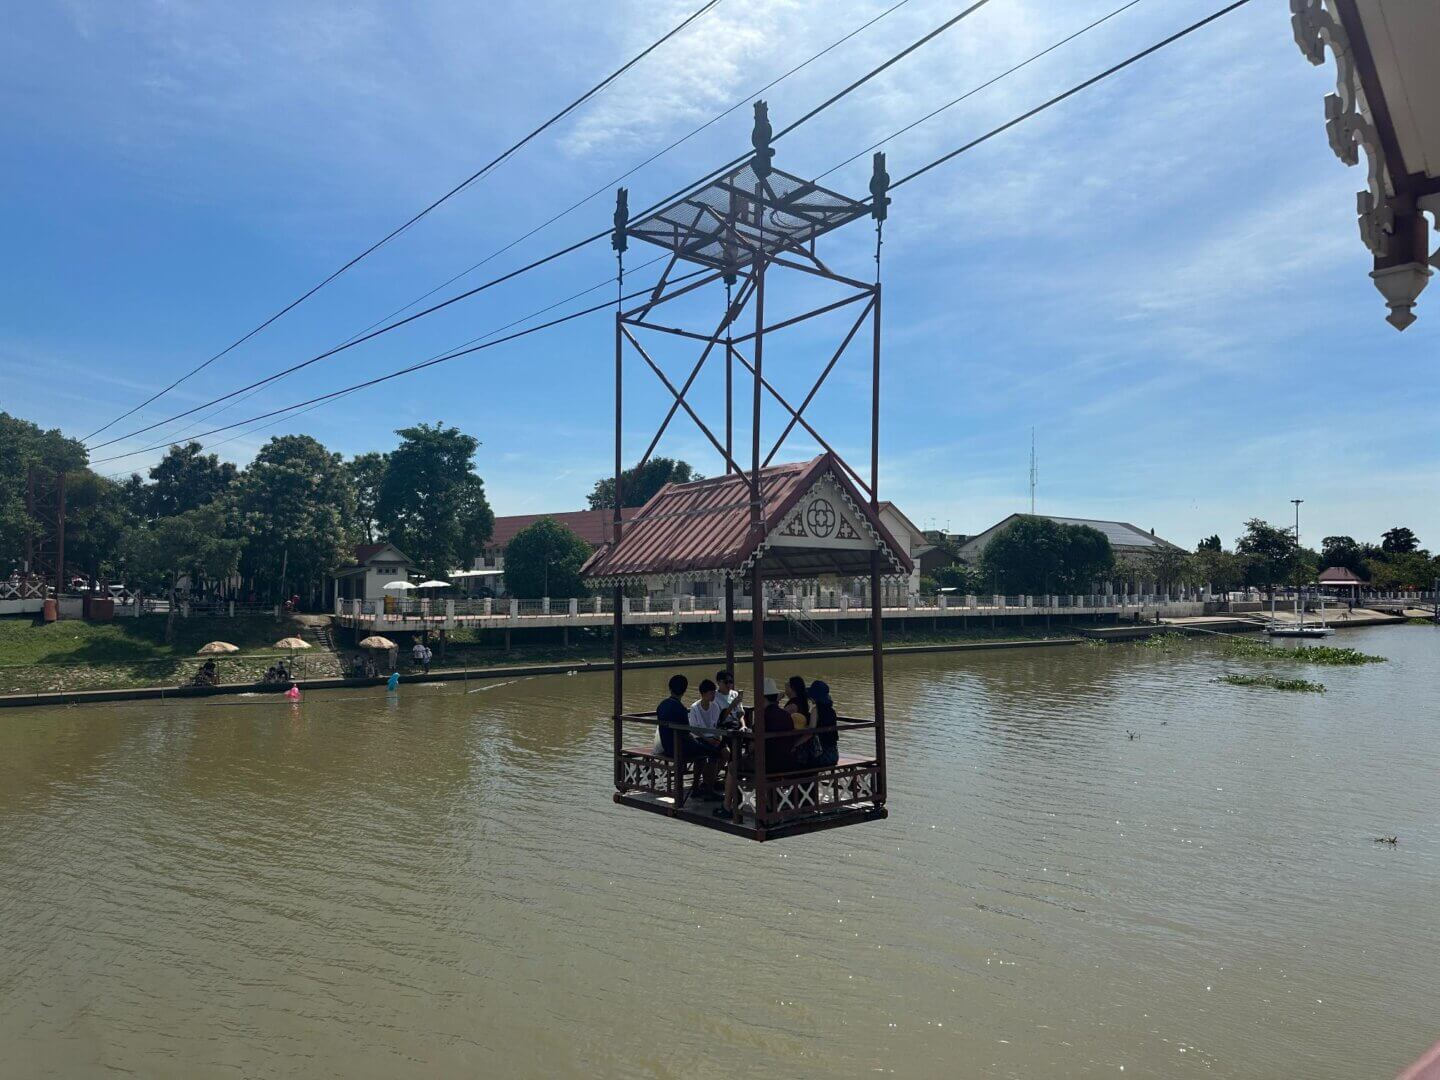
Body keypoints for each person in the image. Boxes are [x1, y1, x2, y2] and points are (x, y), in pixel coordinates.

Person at [657, 674, 716, 798]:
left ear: (670, 688)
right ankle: (703, 787)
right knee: (710, 752)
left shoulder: (662, 705)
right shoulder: (681, 709)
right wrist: (698, 743)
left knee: (702, 749)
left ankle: (700, 786)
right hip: (679, 748)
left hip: (667, 746)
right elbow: (686, 733)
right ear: (684, 691)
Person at [794, 679, 840, 768]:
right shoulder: (831, 711)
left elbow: (810, 733)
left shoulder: (816, 710)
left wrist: (794, 745)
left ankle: (801, 781)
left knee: (798, 759)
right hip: (833, 754)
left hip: (820, 756)